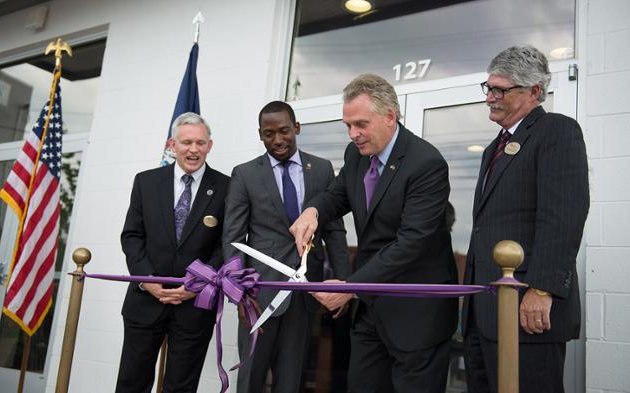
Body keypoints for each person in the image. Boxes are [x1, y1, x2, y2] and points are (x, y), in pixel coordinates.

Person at [290, 74, 458, 393]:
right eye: (348, 125)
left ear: (390, 116)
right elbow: (336, 195)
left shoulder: (427, 164)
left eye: (361, 124)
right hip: (371, 311)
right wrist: (312, 211)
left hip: (417, 317)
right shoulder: (356, 154)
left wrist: (350, 287)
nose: (353, 134)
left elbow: (412, 243)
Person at [462, 45, 589, 393]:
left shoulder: (556, 131)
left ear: (534, 91)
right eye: (488, 88)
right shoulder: (495, 148)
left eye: (500, 90)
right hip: (484, 313)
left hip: (526, 312)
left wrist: (542, 288)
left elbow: (563, 216)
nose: (490, 97)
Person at [223, 100, 349, 393]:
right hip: (258, 297)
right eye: (269, 134)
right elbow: (233, 238)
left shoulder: (321, 168)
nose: (277, 140)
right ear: (260, 134)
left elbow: (335, 230)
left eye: (283, 131)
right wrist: (238, 292)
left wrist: (343, 282)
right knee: (251, 378)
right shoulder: (245, 174)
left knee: (290, 381)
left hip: (304, 296)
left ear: (297, 128)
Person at [116, 112, 229, 392]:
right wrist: (147, 279)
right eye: (186, 142)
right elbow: (132, 236)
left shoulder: (228, 187)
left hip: (195, 306)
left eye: (200, 143)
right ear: (172, 144)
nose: (193, 150)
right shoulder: (145, 182)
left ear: (210, 146)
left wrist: (198, 284)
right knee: (132, 382)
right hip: (145, 302)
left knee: (181, 387)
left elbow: (227, 245)